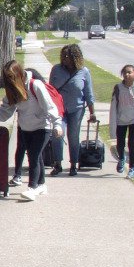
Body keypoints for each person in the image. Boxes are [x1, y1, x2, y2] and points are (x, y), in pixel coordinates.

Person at [0, 60, 62, 202]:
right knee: (36, 156)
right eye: (7, 78)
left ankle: (32, 187)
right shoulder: (13, 90)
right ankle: (41, 185)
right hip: (26, 128)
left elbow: (50, 107)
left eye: (11, 77)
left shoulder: (35, 85)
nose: (10, 80)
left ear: (18, 74)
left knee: (34, 156)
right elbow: (6, 111)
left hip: (43, 127)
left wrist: (57, 124)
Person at [48, 44, 96, 176]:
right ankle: (57, 163)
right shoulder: (56, 70)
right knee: (57, 134)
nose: (65, 58)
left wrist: (92, 112)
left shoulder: (84, 71)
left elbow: (88, 93)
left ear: (76, 57)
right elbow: (50, 91)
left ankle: (73, 164)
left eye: (68, 56)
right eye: (63, 56)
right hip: (59, 109)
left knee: (73, 137)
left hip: (77, 109)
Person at [109, 64, 134, 180]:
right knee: (120, 143)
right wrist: (113, 125)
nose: (127, 74)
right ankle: (121, 158)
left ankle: (132, 168)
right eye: (125, 72)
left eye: (129, 72)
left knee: (132, 143)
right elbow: (113, 107)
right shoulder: (118, 88)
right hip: (121, 120)